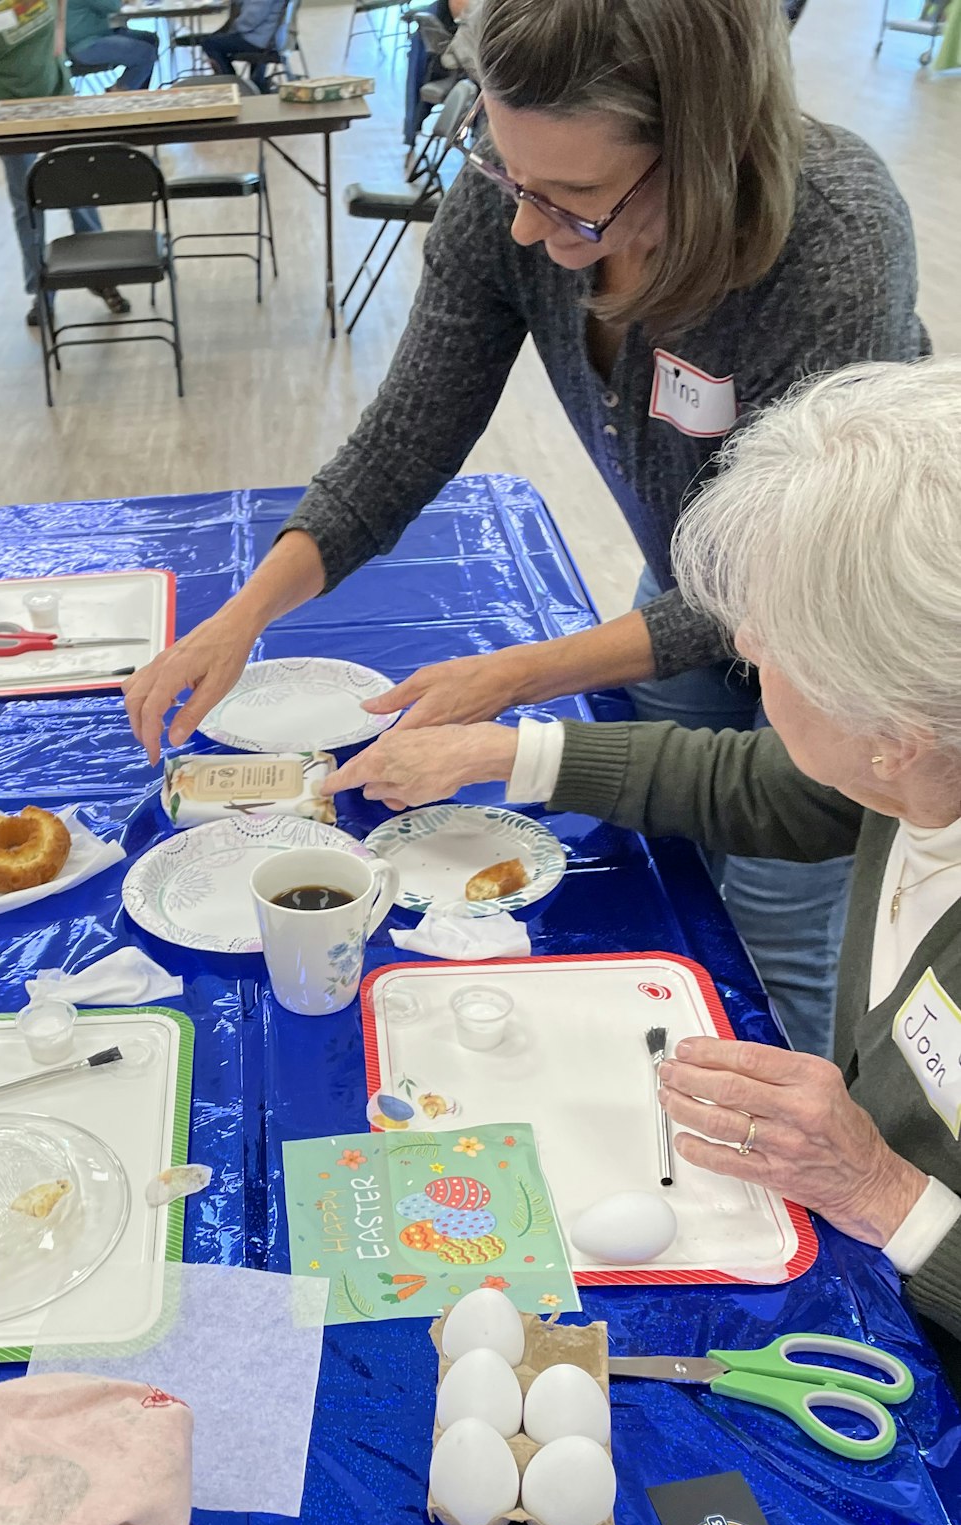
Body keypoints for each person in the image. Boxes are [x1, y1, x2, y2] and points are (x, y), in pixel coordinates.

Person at [124, 0, 928, 1058]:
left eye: (577, 202)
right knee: (661, 872)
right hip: (686, 589)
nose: (523, 226)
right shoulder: (523, 190)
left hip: (837, 642)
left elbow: (771, 578)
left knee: (779, 941)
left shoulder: (832, 233)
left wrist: (514, 678)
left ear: (707, 147)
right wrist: (241, 617)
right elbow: (405, 440)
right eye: (509, 178)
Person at [330, 358, 961, 1370]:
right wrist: (509, 751)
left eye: (775, 647)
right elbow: (769, 782)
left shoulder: (910, 756)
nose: (744, 643)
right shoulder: (916, 765)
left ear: (892, 729)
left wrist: (884, 1191)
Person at [0, 0, 129, 324]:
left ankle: (99, 274)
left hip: (55, 89)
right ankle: (42, 290)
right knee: (27, 199)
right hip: (5, 99)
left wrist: (59, 30)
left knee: (81, 186)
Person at [179, 0, 288, 89]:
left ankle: (232, 83)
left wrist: (233, 29)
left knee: (209, 43)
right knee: (216, 39)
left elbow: (251, 19)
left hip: (257, 40)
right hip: (268, 38)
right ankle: (245, 82)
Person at [65, 0, 157, 89]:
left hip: (98, 33)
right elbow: (114, 6)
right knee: (146, 54)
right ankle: (118, 93)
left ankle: (136, 91)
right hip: (85, 44)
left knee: (150, 39)